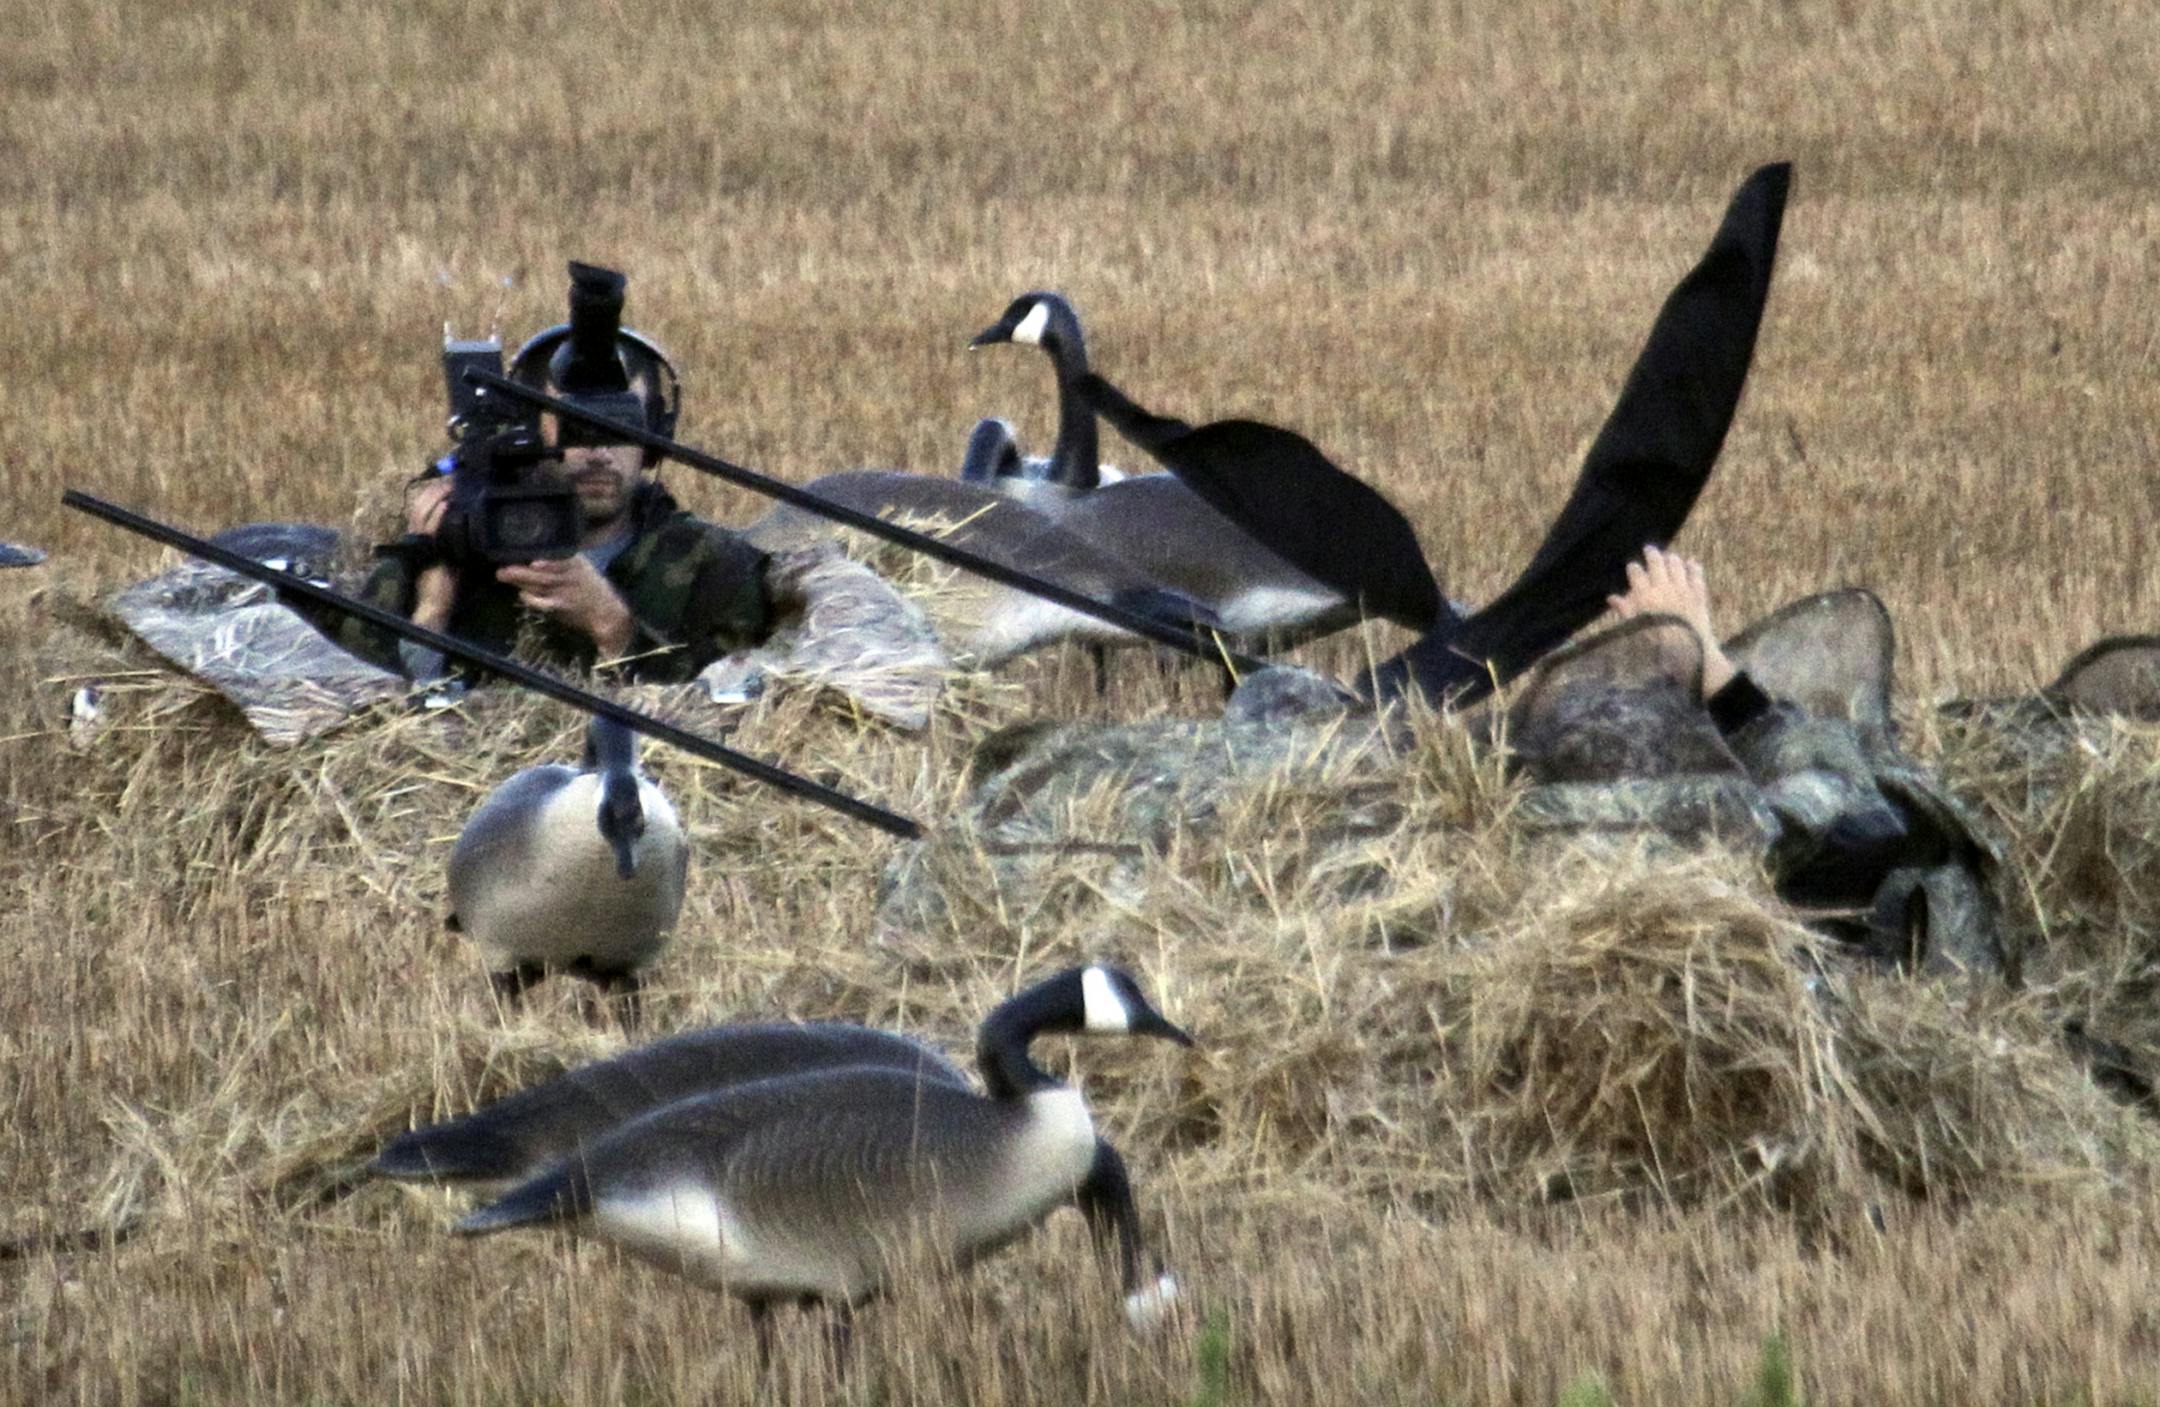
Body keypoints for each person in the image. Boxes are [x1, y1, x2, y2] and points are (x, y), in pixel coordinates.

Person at [315, 264, 771, 685]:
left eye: (619, 426)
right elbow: (353, 704)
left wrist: (613, 627)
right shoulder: (461, 546)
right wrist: (433, 605)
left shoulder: (711, 566)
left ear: (654, 438)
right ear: (528, 434)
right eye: (574, 427)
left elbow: (734, 715)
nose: (598, 452)